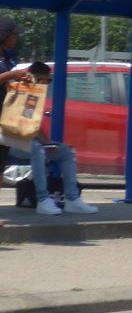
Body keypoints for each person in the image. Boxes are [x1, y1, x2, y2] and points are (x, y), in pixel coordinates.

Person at [0, 20, 97, 216]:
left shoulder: (10, 57)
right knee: (37, 151)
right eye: (13, 34)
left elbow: (29, 120)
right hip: (2, 128)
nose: (16, 38)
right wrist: (14, 74)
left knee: (63, 151)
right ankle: (43, 200)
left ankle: (72, 199)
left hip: (9, 123)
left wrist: (47, 141)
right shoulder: (11, 66)